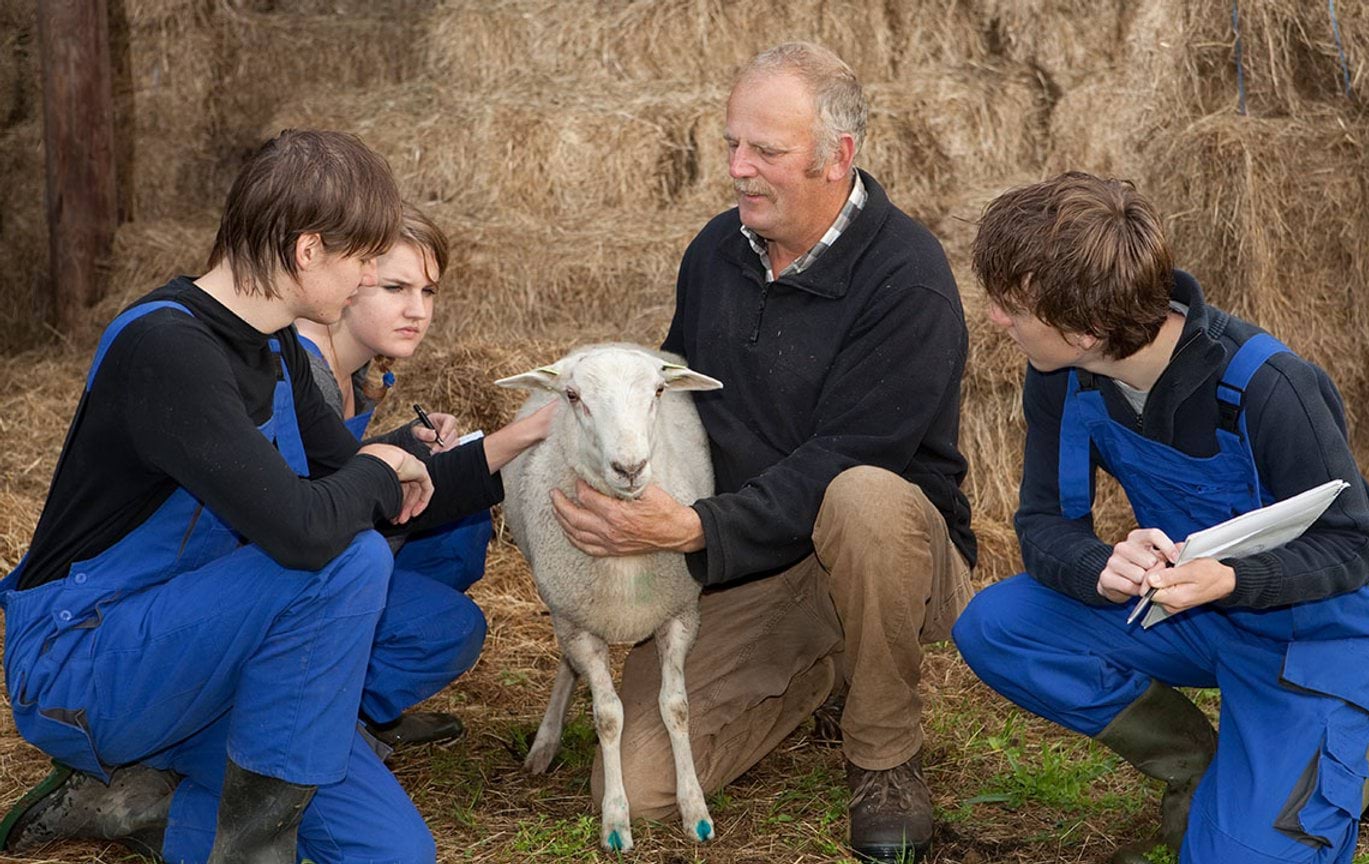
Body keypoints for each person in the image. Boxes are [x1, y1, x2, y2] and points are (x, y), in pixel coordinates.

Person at [0, 130, 551, 863]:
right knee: (346, 559)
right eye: (361, 260)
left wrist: (512, 450)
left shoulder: (277, 347)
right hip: (90, 657)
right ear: (307, 250)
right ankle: (243, 845)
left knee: (395, 856)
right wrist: (383, 469)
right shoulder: (168, 348)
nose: (363, 281)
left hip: (222, 654)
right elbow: (306, 533)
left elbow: (368, 483)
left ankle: (147, 806)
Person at [547, 42, 974, 862]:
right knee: (637, 787)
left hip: (888, 553)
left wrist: (690, 531)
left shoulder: (905, 281)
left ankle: (883, 754)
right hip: (752, 556)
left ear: (836, 157)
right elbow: (674, 400)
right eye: (732, 144)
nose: (739, 168)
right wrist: (565, 440)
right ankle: (822, 663)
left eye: (766, 152)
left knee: (862, 496)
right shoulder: (716, 250)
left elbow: (845, 458)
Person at [951, 172, 1369, 863]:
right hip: (1193, 609)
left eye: (1011, 308)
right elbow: (1043, 526)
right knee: (996, 626)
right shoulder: (1061, 375)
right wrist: (1101, 566)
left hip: (1325, 626)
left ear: (1086, 329)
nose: (998, 319)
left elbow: (1351, 547)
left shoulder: (1269, 388)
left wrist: (1230, 581)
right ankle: (1201, 767)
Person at [294, 203, 494, 751]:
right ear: (348, 278)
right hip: (294, 572)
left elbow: (336, 462)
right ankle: (325, 723)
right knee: (449, 628)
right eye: (396, 288)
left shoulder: (357, 369)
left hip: (329, 543)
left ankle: (357, 703)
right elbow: (316, 511)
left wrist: (405, 443)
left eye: (428, 292)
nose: (418, 310)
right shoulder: (301, 367)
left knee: (464, 528)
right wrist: (517, 441)